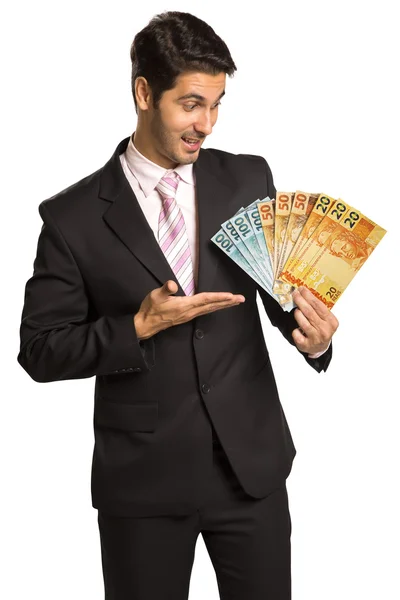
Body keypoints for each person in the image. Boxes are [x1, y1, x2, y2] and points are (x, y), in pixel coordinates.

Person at [17, 11, 338, 600]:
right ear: (144, 92)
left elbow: (280, 295)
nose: (206, 124)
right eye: (191, 104)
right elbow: (39, 349)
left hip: (251, 470)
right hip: (144, 482)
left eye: (217, 105)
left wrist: (313, 339)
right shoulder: (72, 218)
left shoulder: (248, 179)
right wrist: (135, 327)